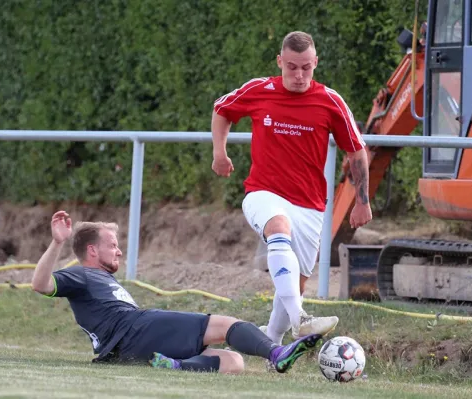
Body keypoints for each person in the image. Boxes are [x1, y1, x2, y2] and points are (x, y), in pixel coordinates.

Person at [211, 31, 372, 352]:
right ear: (280, 62)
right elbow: (222, 110)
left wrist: (362, 202)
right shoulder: (260, 89)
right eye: (292, 68)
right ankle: (300, 317)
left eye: (306, 68)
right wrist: (219, 152)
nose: (299, 76)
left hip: (310, 205)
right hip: (263, 192)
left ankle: (272, 343)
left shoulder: (330, 101)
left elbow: (356, 152)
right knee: (277, 228)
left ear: (315, 63)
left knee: (295, 283)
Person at [31, 210, 323, 375]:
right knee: (225, 324)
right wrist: (57, 244)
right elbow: (41, 285)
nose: (119, 250)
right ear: (92, 250)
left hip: (127, 347)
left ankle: (174, 366)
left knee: (233, 363)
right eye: (112, 245)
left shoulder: (101, 279)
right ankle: (277, 352)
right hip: (134, 329)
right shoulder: (82, 274)